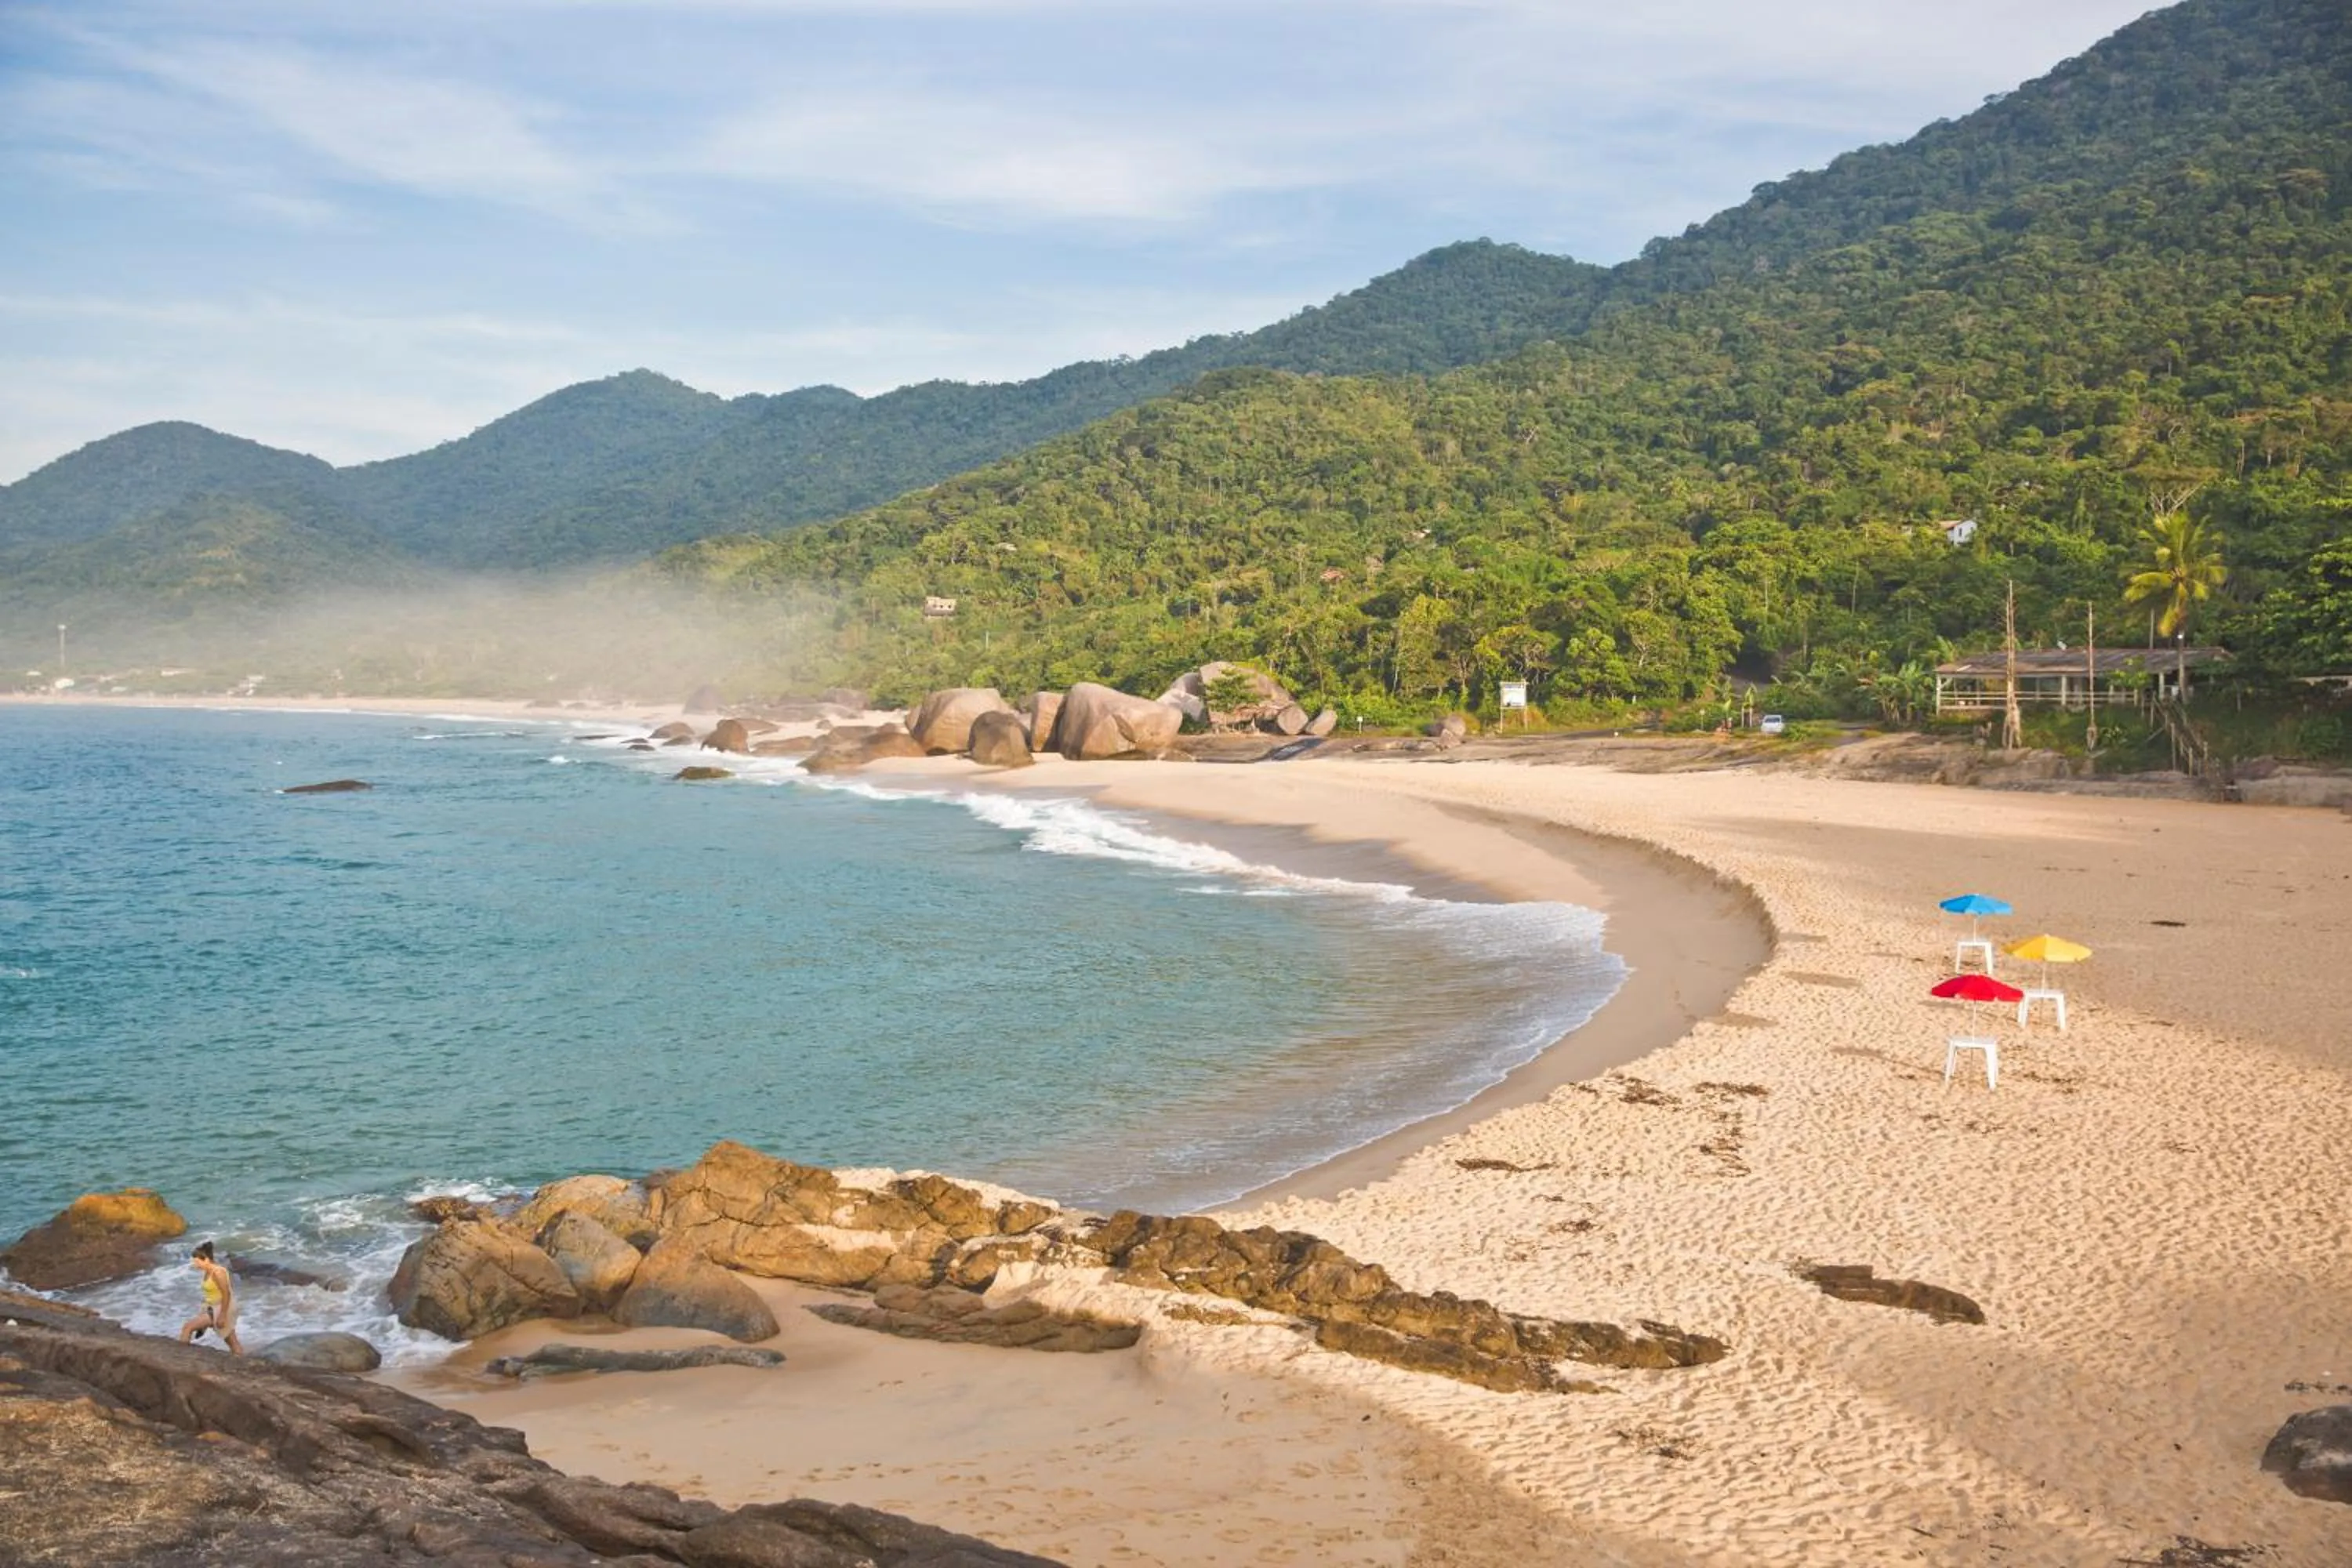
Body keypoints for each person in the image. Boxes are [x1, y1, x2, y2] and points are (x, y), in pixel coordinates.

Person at [177, 1241, 243, 1354]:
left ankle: (181, 1356)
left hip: (222, 1308)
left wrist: (222, 1315)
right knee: (231, 1340)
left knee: (188, 1328)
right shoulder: (208, 1271)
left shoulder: (218, 1272)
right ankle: (240, 1359)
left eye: (197, 1261)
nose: (195, 1265)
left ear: (206, 1260)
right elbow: (211, 1293)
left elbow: (226, 1293)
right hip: (212, 1307)